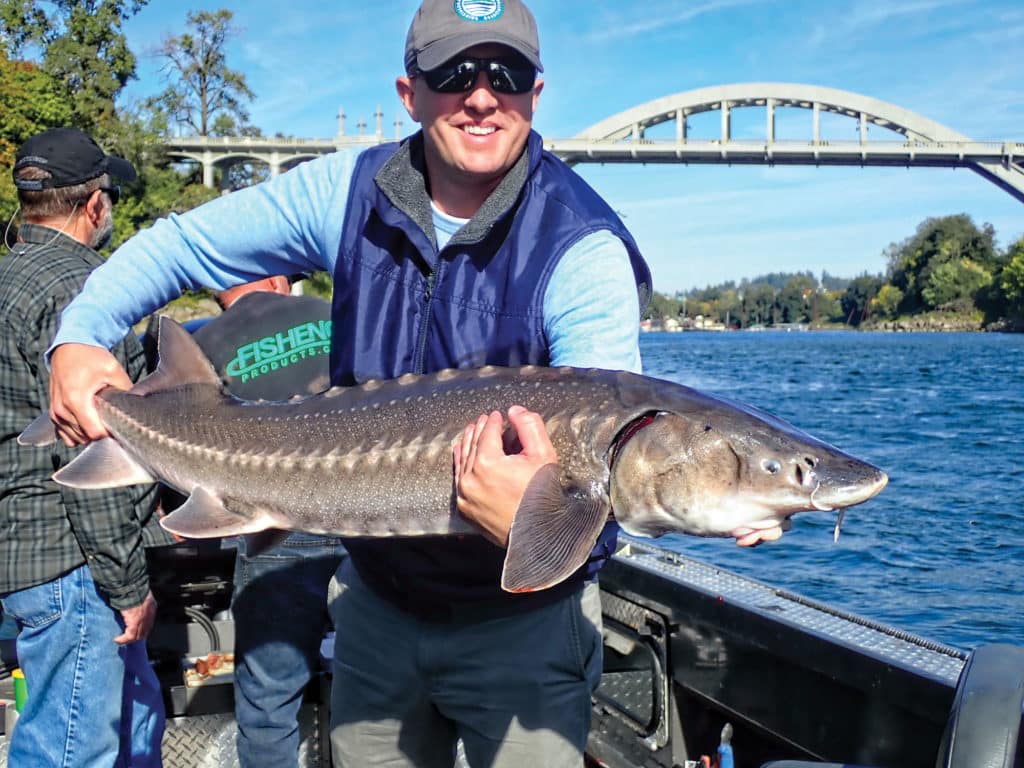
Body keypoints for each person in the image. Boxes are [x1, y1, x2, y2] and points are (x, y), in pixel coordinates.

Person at [45, 1, 652, 765]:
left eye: (509, 72)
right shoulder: (346, 192)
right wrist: (77, 339)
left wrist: (542, 517)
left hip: (522, 630)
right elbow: (178, 245)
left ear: (537, 90)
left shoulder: (582, 246)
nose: (482, 94)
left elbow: (612, 440)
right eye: (455, 72)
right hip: (374, 611)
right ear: (411, 93)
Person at [0, 127, 170, 767]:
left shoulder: (10, 275)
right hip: (75, 563)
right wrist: (126, 583)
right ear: (94, 204)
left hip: (28, 553)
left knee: (132, 732)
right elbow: (93, 457)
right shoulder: (86, 295)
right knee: (72, 751)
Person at [190, 276, 346, 766]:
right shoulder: (332, 312)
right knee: (375, 693)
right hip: (365, 520)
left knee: (268, 705)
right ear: (279, 279)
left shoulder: (203, 344)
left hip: (272, 532)